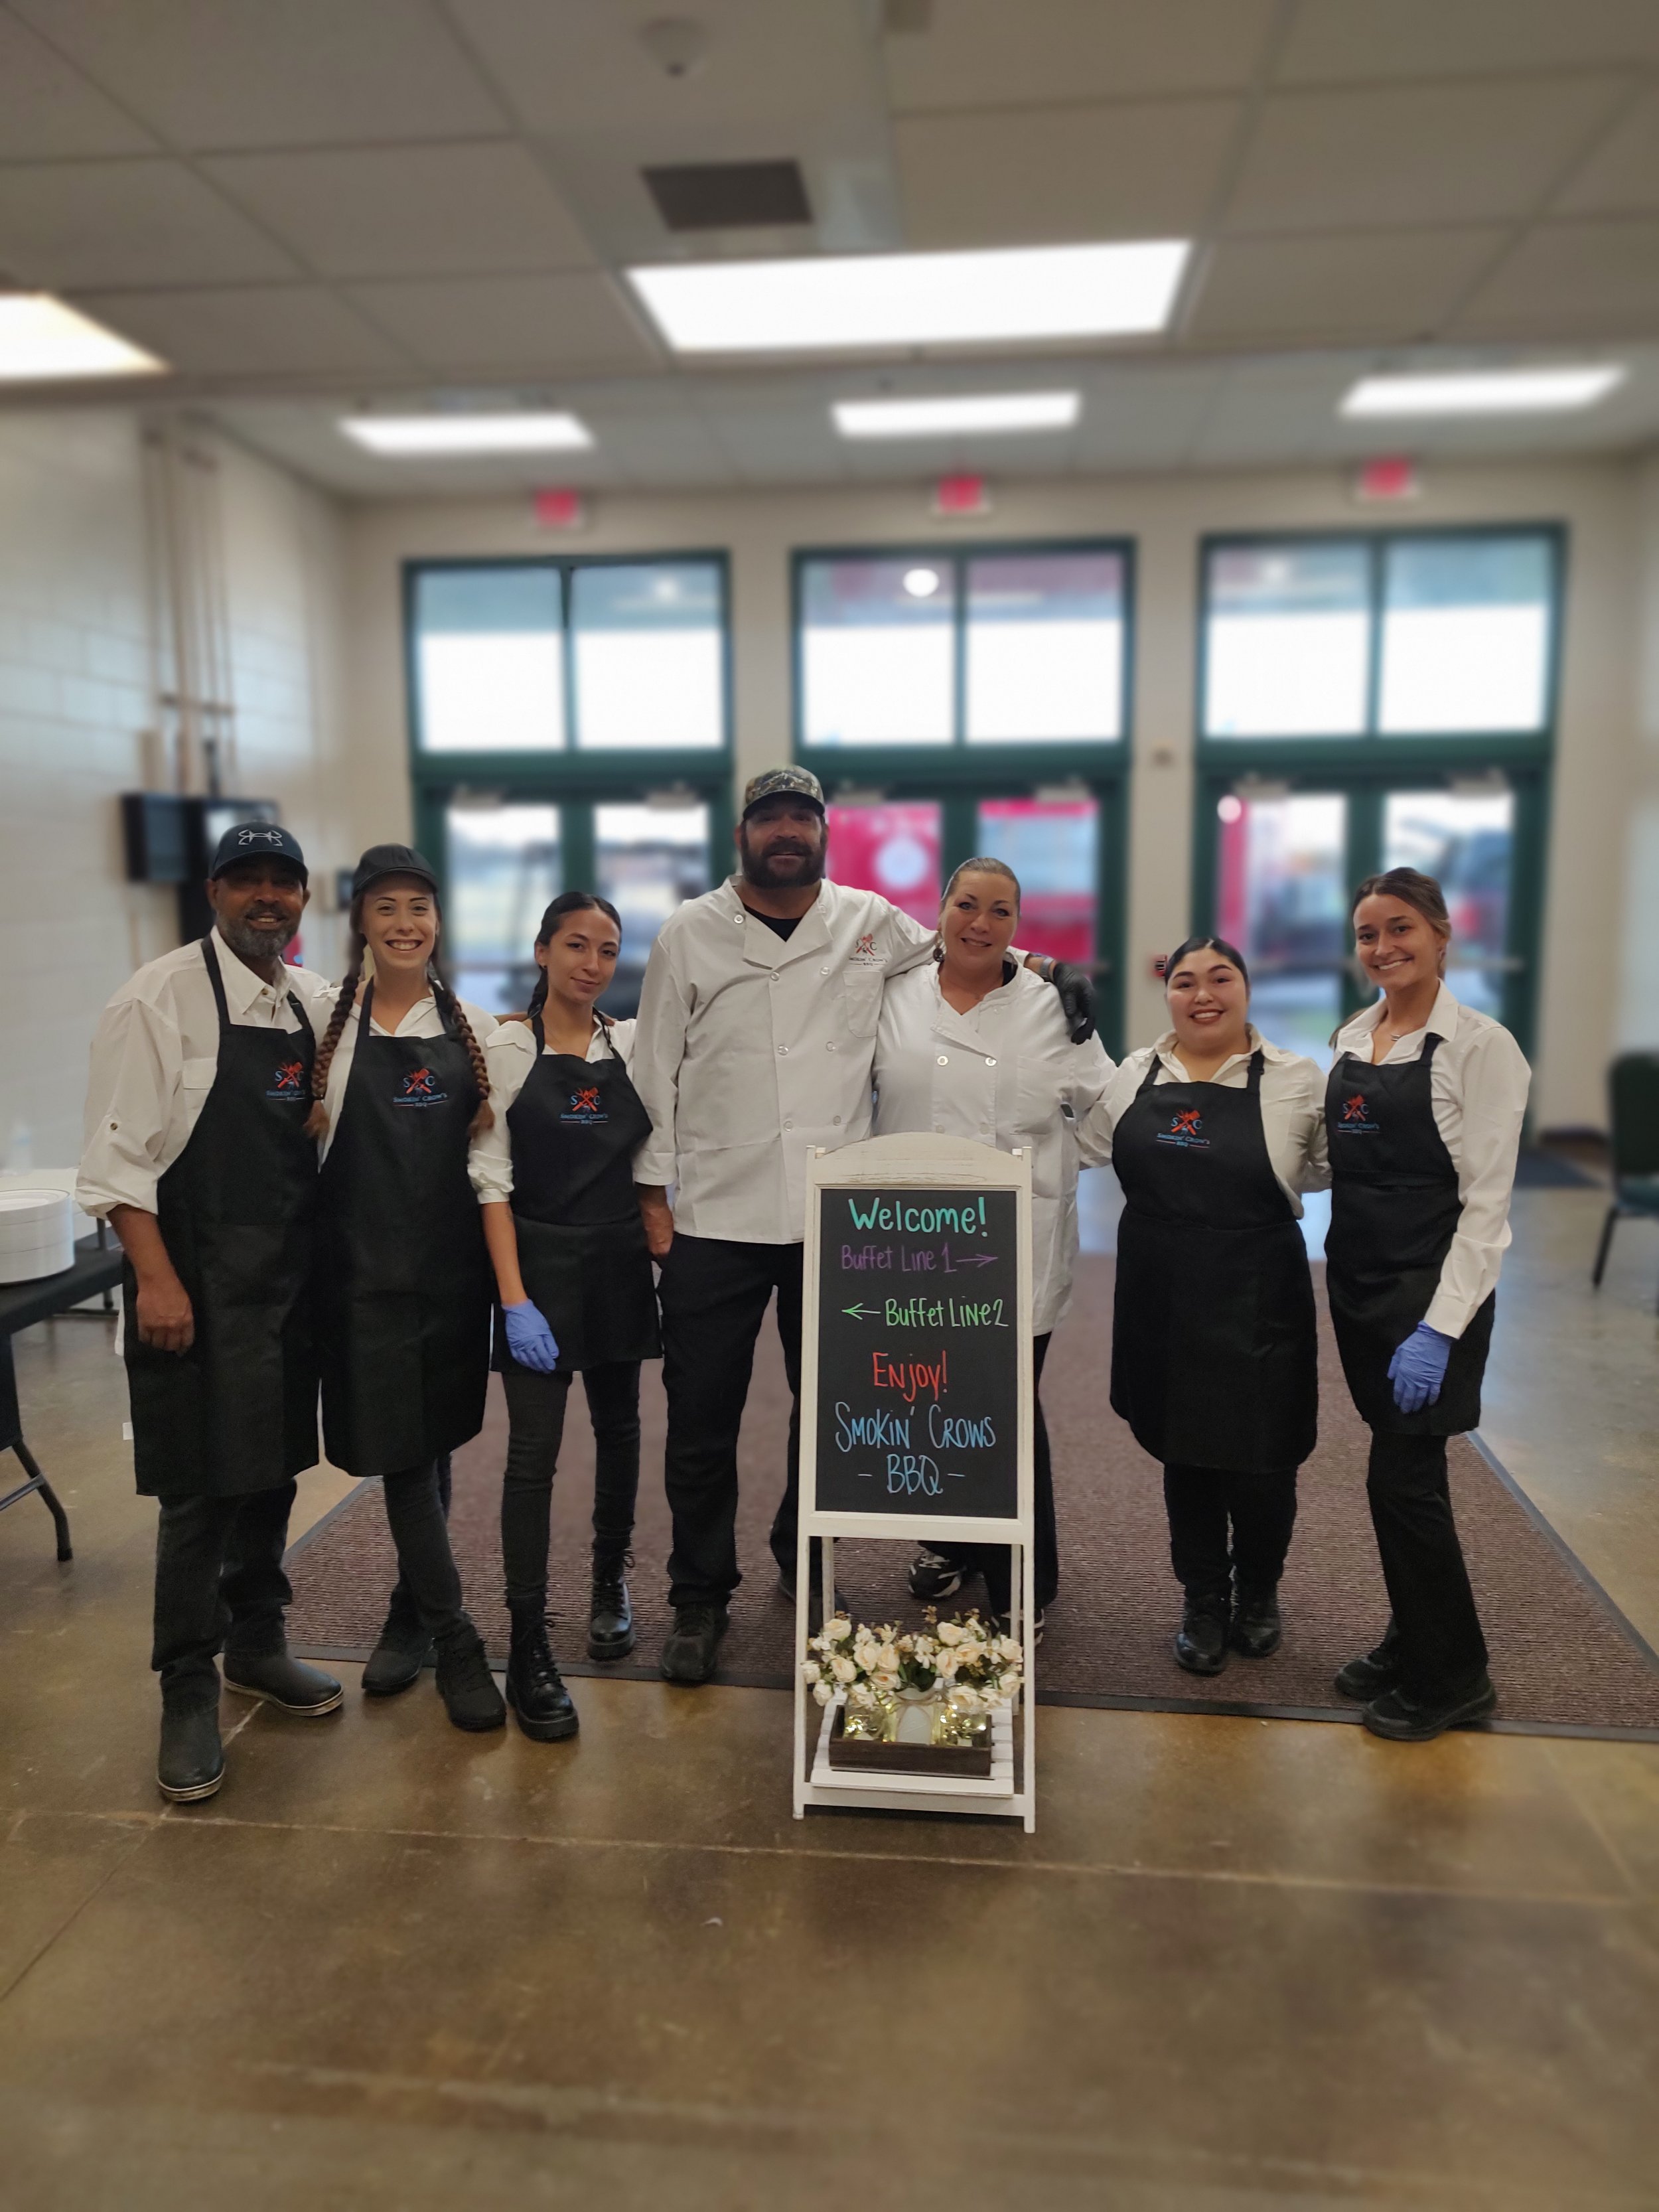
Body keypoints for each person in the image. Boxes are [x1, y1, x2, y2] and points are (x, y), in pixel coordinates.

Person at [630, 766, 1097, 1685]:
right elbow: (655, 1066)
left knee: (836, 1411)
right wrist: (652, 1194)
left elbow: (967, 942)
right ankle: (698, 1597)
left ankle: (806, 1559)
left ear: (823, 832)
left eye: (802, 818)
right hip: (716, 1212)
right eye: (770, 818)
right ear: (743, 833)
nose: (787, 832)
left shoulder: (869, 921)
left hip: (833, 1215)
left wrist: (1048, 968)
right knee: (702, 1420)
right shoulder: (689, 931)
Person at [77, 823, 342, 1803]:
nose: (266, 897)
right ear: (213, 892)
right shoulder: (157, 1000)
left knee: (271, 1471)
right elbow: (116, 1165)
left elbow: (400, 1040)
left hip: (285, 1287)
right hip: (191, 1289)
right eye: (247, 882)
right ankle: (187, 1685)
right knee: (198, 1493)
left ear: (303, 898)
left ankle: (258, 1644)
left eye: (283, 882)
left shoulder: (310, 1000)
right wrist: (155, 1280)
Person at [871, 857, 1115, 1635]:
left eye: (1000, 911)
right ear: (940, 909)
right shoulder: (892, 994)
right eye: (967, 905)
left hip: (1015, 1244)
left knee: (1002, 1409)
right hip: (909, 1243)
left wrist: (1058, 1162)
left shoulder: (1049, 1007)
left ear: (1018, 923)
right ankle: (953, 1543)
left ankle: (1023, 1580)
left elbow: (1108, 1110)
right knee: (928, 1400)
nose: (980, 923)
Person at [1084, 936, 1327, 1675]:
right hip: (1162, 1292)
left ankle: (1259, 1592)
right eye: (1185, 981)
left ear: (1246, 989)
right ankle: (1203, 1600)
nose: (1203, 994)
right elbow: (1086, 1147)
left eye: (1221, 978)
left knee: (1264, 1461)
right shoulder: (1133, 1074)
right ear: (1168, 996)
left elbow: (1324, 1169)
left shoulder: (1296, 1080)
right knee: (1185, 1454)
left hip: (1258, 1291)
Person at [1324, 867, 1529, 1742]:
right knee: (1397, 1478)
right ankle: (1414, 1637)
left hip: (1430, 1294)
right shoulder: (1353, 1035)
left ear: (1442, 935)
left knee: (1402, 1481)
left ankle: (1455, 1676)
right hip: (1358, 1286)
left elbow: (1486, 1209)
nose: (1383, 947)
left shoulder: (1483, 1048)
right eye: (1368, 934)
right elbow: (1332, 1163)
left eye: (1401, 927)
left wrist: (1440, 1330)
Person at [305, 844, 504, 1733]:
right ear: (359, 920)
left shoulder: (474, 1028)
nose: (404, 923)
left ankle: (408, 1611)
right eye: (385, 906)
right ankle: (455, 1636)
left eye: (418, 906)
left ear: (438, 921)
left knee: (433, 1444)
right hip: (363, 1283)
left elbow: (491, 1164)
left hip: (451, 1281)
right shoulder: (324, 1027)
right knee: (404, 1457)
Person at [472, 892, 661, 1741]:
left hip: (616, 1262)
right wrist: (514, 1300)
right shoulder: (504, 1049)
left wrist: (657, 1223)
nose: (592, 963)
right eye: (576, 945)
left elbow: (653, 1149)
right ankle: (527, 1640)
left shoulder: (630, 1047)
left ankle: (608, 1582)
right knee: (531, 1459)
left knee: (620, 1432)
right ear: (543, 950)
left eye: (607, 950)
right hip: (539, 1267)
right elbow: (491, 1182)